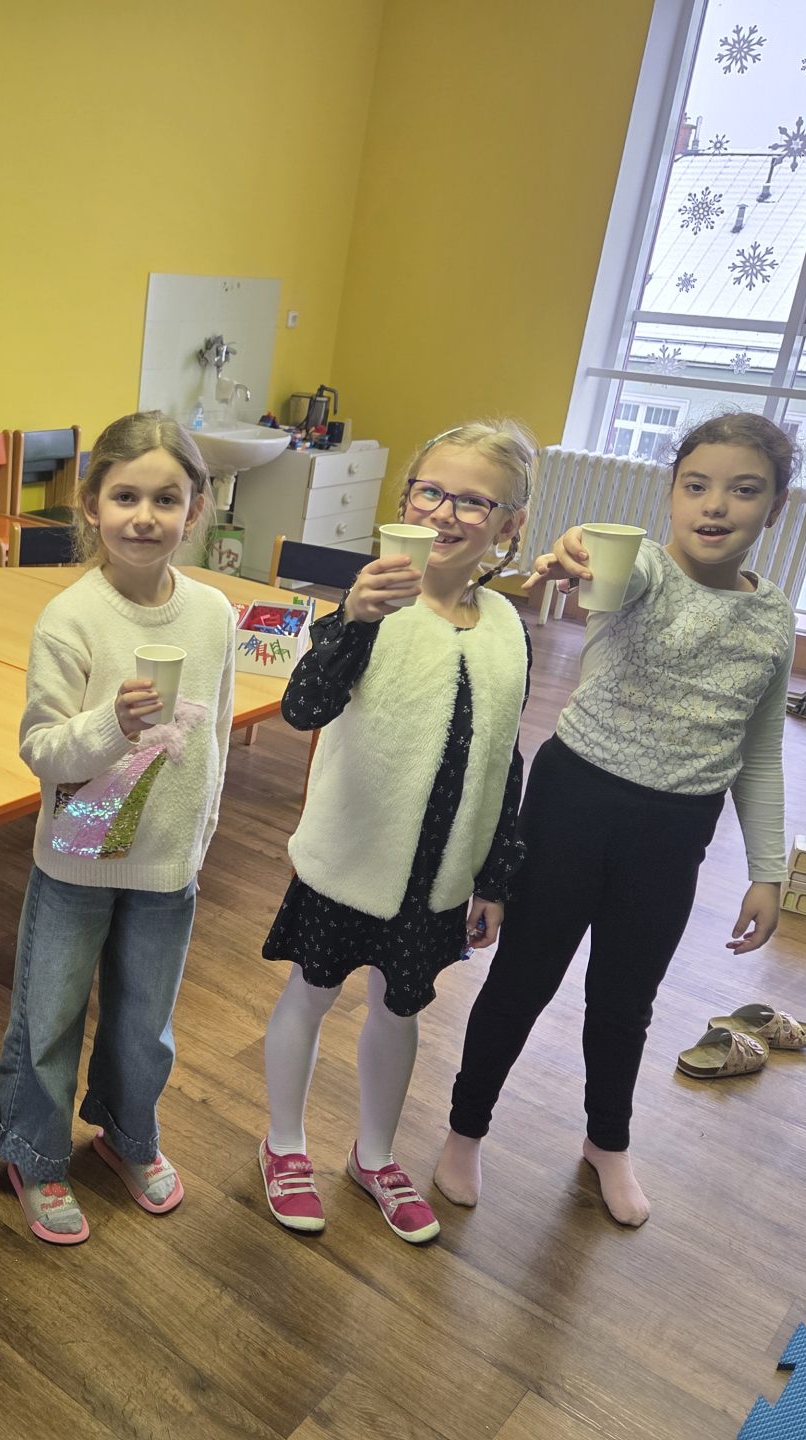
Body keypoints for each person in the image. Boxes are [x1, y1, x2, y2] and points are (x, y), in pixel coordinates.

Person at [435, 411, 797, 1227]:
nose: (715, 505)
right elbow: (599, 569)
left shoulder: (773, 618)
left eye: (744, 490)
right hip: (575, 804)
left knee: (625, 1000)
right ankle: (465, 1127)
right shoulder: (642, 572)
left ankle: (608, 1141)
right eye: (696, 485)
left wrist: (768, 870)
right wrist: (575, 552)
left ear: (775, 507)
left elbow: (762, 750)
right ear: (671, 493)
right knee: (522, 980)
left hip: (674, 831)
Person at [257, 422, 534, 1243]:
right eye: (431, 492)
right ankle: (283, 1144)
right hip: (350, 859)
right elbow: (304, 707)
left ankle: (374, 1155)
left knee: (399, 1008)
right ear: (405, 501)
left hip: (438, 872)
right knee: (310, 992)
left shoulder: (505, 625)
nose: (446, 513)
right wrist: (352, 618)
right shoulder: (372, 605)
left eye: (474, 502)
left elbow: (504, 756)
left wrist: (495, 876)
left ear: (509, 525)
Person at [0, 410, 236, 1244]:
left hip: (168, 863)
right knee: (49, 1015)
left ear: (195, 509)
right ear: (91, 504)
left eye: (166, 498)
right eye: (126, 496)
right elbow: (42, 748)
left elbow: (214, 733)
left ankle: (129, 1136)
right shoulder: (71, 617)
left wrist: (201, 834)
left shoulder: (213, 613)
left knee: (144, 1022)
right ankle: (34, 1151)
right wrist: (112, 726)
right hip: (77, 858)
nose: (145, 516)